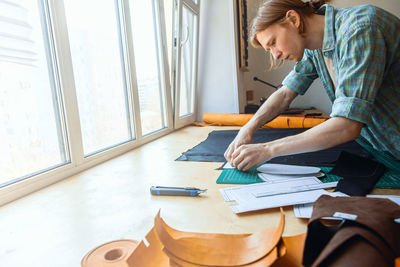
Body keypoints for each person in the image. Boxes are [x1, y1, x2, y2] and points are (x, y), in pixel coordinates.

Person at [224, 0, 400, 171]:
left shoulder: (360, 29)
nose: (275, 55)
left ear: (293, 19)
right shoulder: (315, 48)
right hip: (386, 152)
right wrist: (248, 128)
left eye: (273, 42)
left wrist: (267, 150)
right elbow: (285, 93)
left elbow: (348, 125)